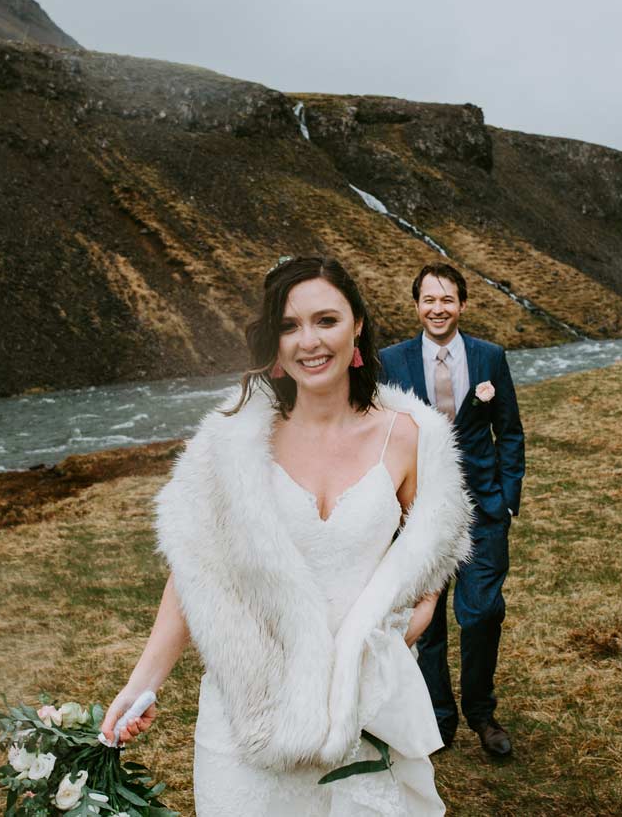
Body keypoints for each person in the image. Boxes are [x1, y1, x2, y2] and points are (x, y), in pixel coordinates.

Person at [100, 256, 473, 816]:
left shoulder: (408, 438)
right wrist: (141, 683)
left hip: (362, 708)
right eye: (288, 326)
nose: (309, 341)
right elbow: (193, 572)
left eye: (325, 320)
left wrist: (395, 638)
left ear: (357, 326)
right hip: (249, 713)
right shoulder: (232, 442)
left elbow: (429, 558)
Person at [379, 263, 524, 758]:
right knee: (428, 621)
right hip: (416, 511)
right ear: (417, 305)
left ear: (462, 304)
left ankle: (482, 713)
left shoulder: (490, 358)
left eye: (447, 300)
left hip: (483, 508)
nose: (437, 309)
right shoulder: (391, 361)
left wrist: (507, 498)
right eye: (428, 300)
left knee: (482, 612)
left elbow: (510, 430)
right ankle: (438, 720)